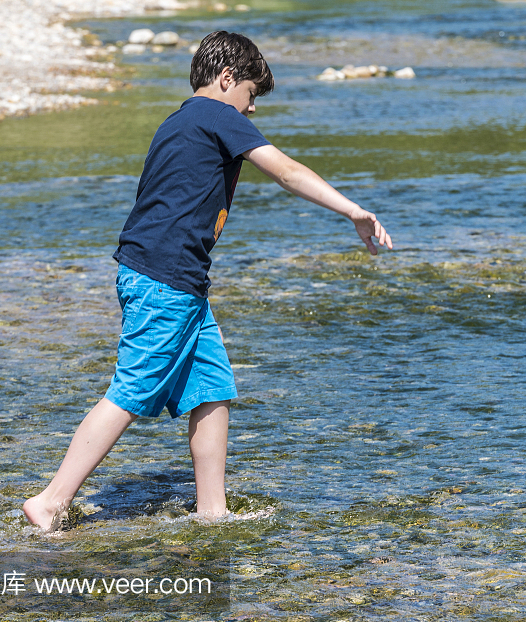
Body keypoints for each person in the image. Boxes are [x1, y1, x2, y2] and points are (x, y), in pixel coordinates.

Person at [23, 30, 392, 530]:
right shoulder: (218, 115)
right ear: (226, 78)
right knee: (131, 390)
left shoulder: (178, 121)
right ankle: (52, 500)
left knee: (212, 388)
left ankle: (211, 511)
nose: (252, 109)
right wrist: (352, 210)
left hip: (176, 279)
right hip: (165, 279)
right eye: (251, 94)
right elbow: (285, 171)